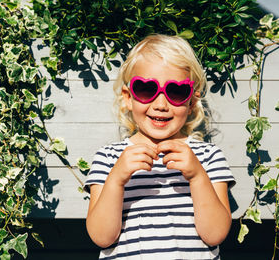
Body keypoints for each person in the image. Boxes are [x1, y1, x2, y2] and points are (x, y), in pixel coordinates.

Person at [85, 34, 235, 259]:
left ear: (191, 102)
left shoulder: (207, 156)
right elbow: (102, 237)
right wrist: (116, 179)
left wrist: (197, 177)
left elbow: (215, 234)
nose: (161, 105)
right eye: (146, 89)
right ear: (128, 97)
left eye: (176, 92)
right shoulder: (108, 158)